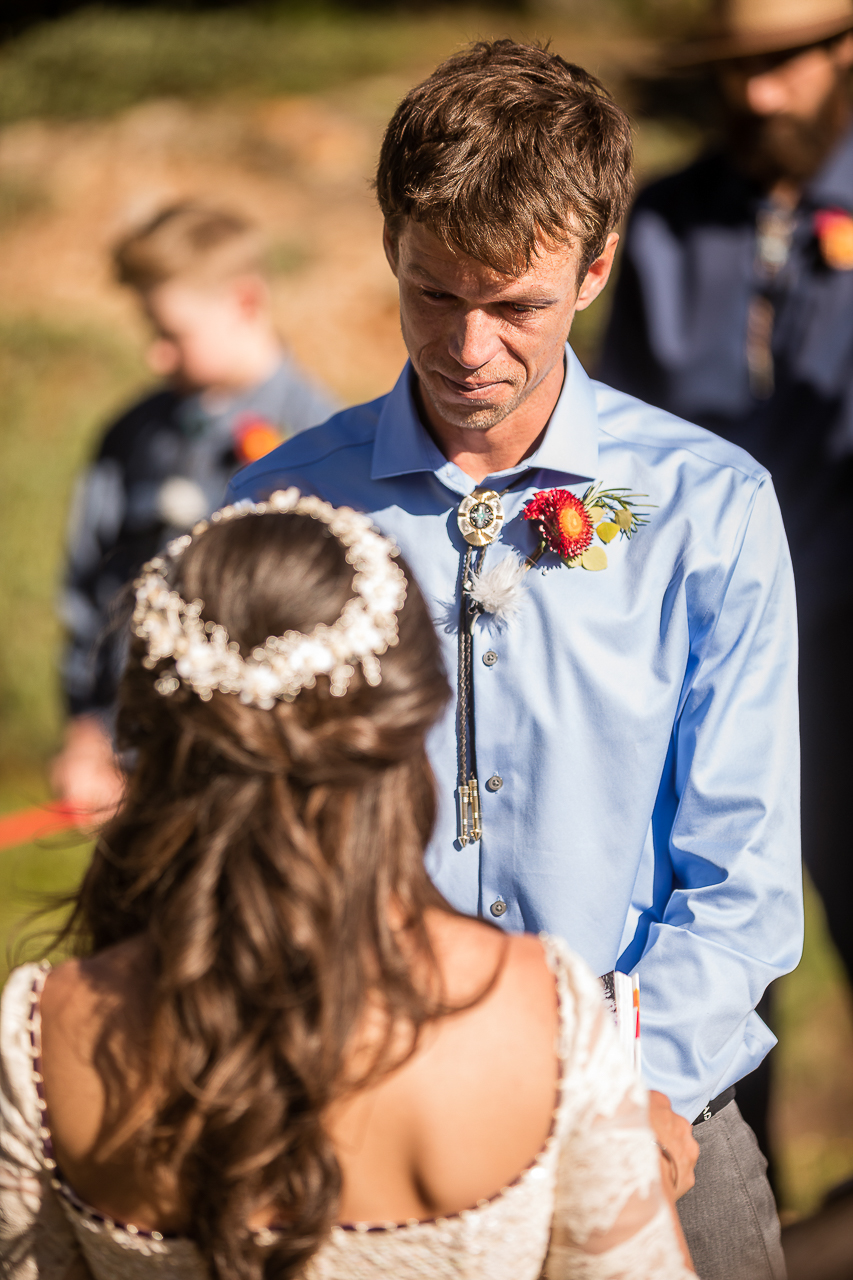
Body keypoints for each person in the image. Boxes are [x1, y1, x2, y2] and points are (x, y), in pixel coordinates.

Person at [226, 39, 801, 1280]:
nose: (470, 347)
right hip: (365, 1141)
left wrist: (633, 1090)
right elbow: (236, 841)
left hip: (654, 1121)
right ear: (389, 243)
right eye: (434, 294)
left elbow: (743, 878)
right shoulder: (278, 509)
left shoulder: (707, 509)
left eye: (517, 304)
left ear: (594, 267)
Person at [0, 491, 697, 1278]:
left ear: (153, 738)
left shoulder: (42, 1033)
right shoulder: (544, 1013)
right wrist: (644, 1178)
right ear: (408, 726)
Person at [598, 0, 853, 1182]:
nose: (759, 96)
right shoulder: (662, 222)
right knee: (690, 917)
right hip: (688, 649)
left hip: (849, 642)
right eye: (737, 70)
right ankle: (721, 1175)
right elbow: (619, 441)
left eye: (786, 65)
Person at [51, 201, 337, 819]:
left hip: (261, 783)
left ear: (245, 302)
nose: (155, 356)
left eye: (171, 334)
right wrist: (88, 732)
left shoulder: (324, 446)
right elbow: (91, 588)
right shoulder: (132, 436)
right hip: (137, 767)